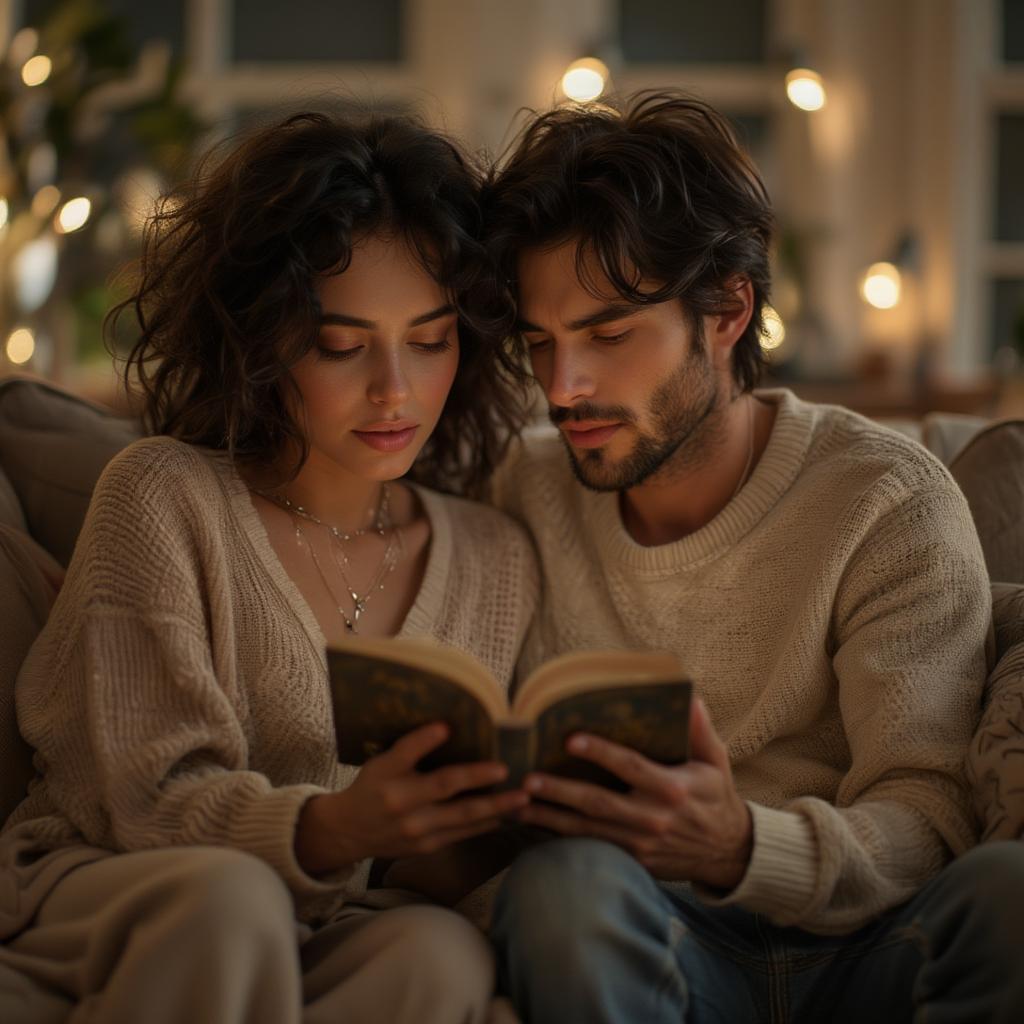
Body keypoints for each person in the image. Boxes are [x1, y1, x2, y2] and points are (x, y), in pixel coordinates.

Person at [481, 90, 1024, 1023]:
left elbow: (932, 816)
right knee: (562, 891)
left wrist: (738, 846)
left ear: (728, 310)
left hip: (875, 939)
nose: (563, 389)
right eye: (541, 344)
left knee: (1011, 894)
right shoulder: (525, 489)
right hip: (656, 933)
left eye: (609, 334)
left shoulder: (883, 496)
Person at [0, 110, 538, 1024]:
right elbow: (146, 803)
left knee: (437, 954)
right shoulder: (164, 496)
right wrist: (338, 826)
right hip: (115, 888)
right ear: (261, 340)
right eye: (341, 344)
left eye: (431, 339)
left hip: (329, 923)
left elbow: (424, 867)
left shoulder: (494, 558)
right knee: (232, 904)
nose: (394, 390)